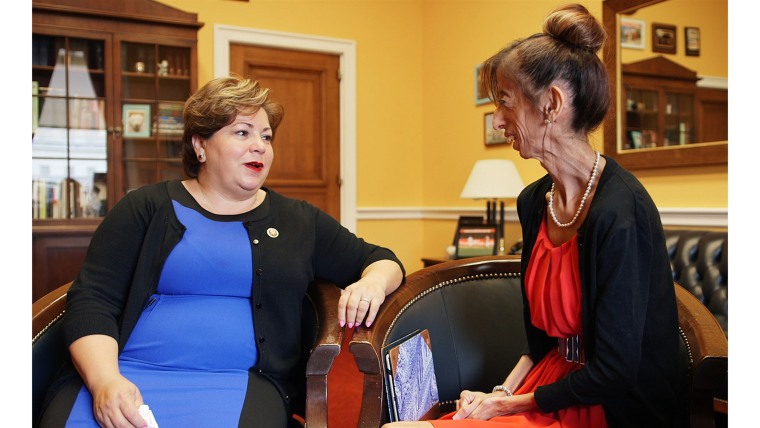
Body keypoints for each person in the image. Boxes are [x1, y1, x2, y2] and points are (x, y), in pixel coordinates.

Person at [38, 75, 405, 427]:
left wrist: (373, 282)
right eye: (242, 133)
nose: (259, 145)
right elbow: (93, 299)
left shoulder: (297, 220)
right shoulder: (145, 208)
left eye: (266, 136)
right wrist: (105, 382)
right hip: (123, 372)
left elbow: (382, 259)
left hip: (237, 383)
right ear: (200, 145)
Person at [384, 4, 682, 428]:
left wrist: (506, 407)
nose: (497, 120)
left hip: (610, 406)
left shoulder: (621, 212)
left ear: (552, 104)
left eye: (505, 102)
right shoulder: (533, 200)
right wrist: (500, 393)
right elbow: (542, 345)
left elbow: (616, 372)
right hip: (549, 386)